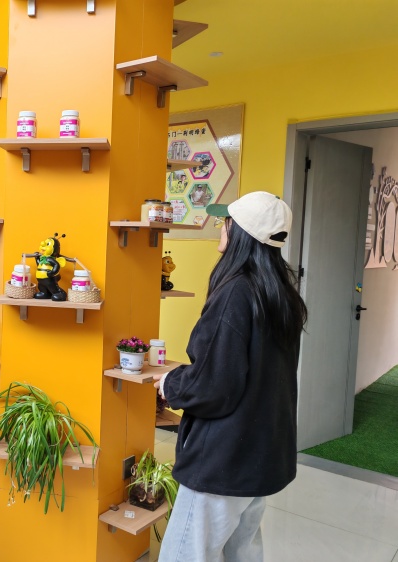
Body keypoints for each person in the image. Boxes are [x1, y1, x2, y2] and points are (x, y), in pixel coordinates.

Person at [153, 191, 308, 562]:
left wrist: (170, 383)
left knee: (185, 555)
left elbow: (214, 385)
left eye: (226, 221)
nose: (221, 227)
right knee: (242, 553)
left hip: (223, 460)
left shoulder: (236, 292)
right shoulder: (280, 294)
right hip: (262, 454)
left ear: (239, 232)